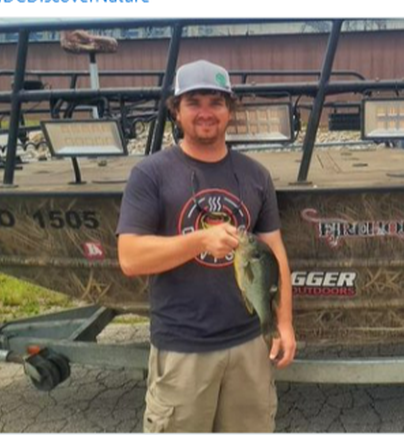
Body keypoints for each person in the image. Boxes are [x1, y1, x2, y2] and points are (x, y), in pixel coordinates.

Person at [117, 59, 296, 432]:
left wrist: (284, 323)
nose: (205, 112)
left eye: (215, 102)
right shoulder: (150, 173)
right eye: (193, 102)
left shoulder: (255, 175)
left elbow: (275, 254)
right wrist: (199, 240)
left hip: (250, 345)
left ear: (230, 111)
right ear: (176, 112)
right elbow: (130, 258)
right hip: (183, 348)